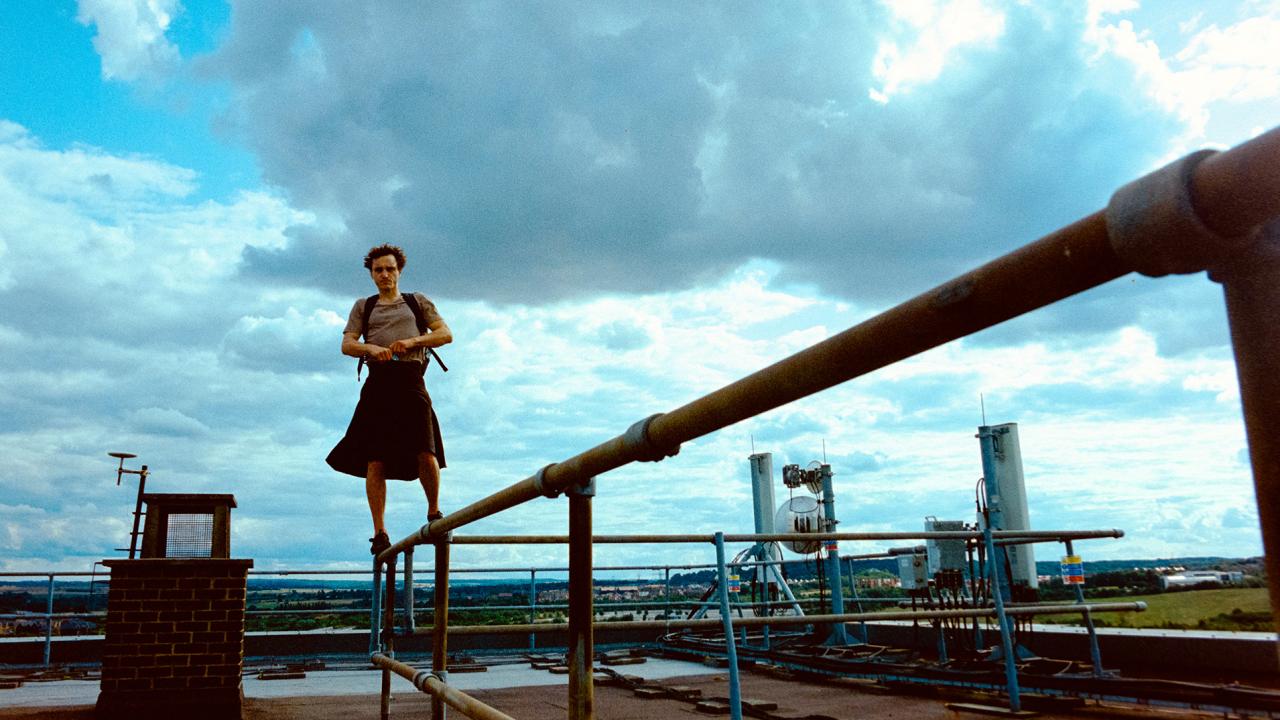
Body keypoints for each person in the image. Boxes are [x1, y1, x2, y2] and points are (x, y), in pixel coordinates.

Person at [326, 243, 453, 556]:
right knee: (376, 459)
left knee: (426, 448)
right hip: (378, 383)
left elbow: (444, 333)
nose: (385, 274)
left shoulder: (416, 301)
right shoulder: (364, 306)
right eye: (378, 270)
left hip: (411, 379)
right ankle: (379, 531)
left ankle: (434, 512)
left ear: (399, 271)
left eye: (390, 269)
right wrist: (371, 349)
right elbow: (347, 344)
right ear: (371, 274)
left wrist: (412, 341)